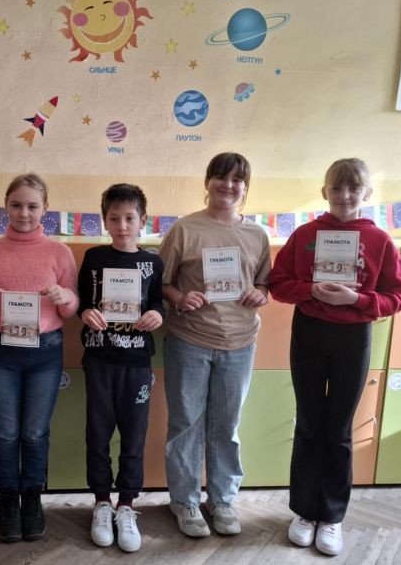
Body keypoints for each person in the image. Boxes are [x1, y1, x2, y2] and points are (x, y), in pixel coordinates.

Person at [270, 158, 401, 556]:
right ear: (324, 192)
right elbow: (278, 283)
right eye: (336, 188)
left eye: (353, 188)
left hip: (353, 335)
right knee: (309, 423)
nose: (344, 196)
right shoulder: (305, 234)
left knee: (339, 429)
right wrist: (310, 290)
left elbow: (397, 297)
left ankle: (331, 516)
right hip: (309, 332)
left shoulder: (380, 240)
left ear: (367, 193)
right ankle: (304, 512)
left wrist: (357, 299)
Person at [159, 152, 271, 538]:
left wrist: (260, 293)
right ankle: (185, 501)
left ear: (246, 187)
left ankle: (222, 500)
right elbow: (162, 282)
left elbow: (263, 282)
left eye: (238, 179)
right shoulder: (185, 229)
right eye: (221, 177)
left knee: (227, 425)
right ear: (207, 182)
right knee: (185, 423)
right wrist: (179, 298)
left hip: (240, 342)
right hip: (189, 340)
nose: (229, 185)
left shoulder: (257, 234)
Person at [0, 173, 78, 543]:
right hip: (1, 350)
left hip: (45, 351)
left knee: (34, 432)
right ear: (5, 206)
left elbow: (70, 308)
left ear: (45, 208)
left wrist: (66, 298)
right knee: (5, 431)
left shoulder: (60, 252)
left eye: (32, 206)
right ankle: (7, 499)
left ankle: (32, 497)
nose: (24, 213)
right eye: (16, 205)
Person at [77, 184, 164, 553]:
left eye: (130, 218)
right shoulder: (94, 257)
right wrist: (86, 312)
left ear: (143, 221)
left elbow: (158, 301)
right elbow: (82, 300)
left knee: (134, 435)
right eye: (115, 218)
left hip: (137, 363)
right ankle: (101, 501)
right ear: (105, 221)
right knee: (98, 432)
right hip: (100, 359)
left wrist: (157, 314)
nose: (123, 225)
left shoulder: (153, 262)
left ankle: (126, 504)